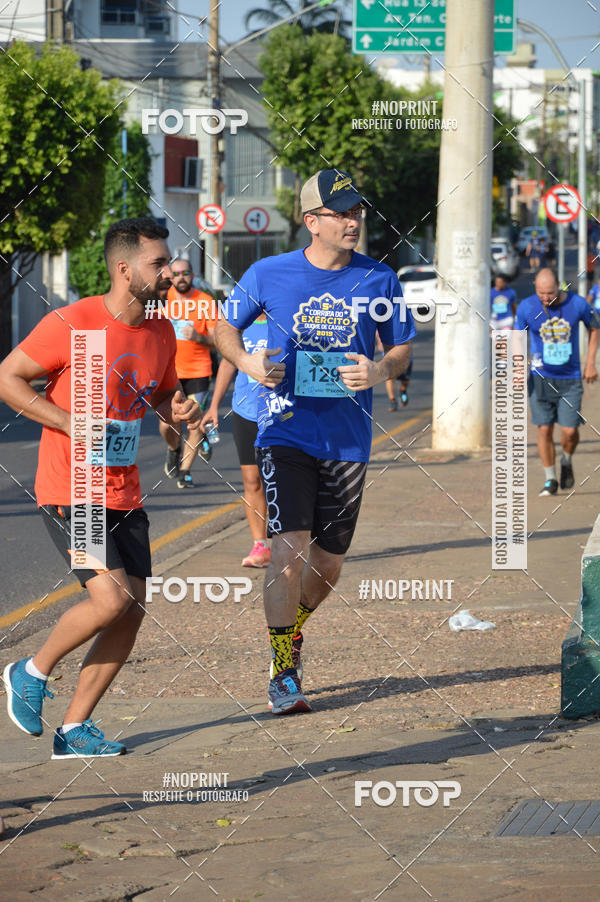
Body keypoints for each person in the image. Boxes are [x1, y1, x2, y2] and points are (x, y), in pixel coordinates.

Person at [215, 169, 416, 715]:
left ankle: (291, 633)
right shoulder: (267, 273)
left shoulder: (380, 279)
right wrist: (247, 361)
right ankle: (284, 673)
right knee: (287, 552)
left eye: (357, 212)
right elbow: (223, 328)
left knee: (326, 566)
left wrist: (379, 371)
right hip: (284, 431)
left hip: (347, 441)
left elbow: (401, 350)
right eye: (341, 212)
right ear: (312, 222)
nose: (353, 221)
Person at [0, 217, 201, 758]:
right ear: (123, 269)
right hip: (73, 485)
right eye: (157, 264)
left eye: (168, 262)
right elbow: (8, 377)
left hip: (124, 490)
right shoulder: (73, 321)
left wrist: (177, 410)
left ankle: (74, 729)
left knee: (132, 608)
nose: (169, 272)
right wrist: (68, 422)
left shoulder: (160, 330)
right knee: (109, 598)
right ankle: (31, 670)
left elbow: (160, 397)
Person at [516, 268, 599, 496]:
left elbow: (595, 327)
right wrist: (518, 367)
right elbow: (517, 338)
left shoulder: (577, 304)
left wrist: (590, 362)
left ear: (559, 287)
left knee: (570, 431)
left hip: (570, 379)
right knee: (544, 428)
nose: (545, 297)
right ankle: (550, 480)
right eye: (541, 293)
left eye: (550, 292)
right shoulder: (526, 307)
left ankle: (567, 459)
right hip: (540, 378)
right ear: (535, 288)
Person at [201, 314, 271, 568]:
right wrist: (214, 405)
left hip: (281, 412)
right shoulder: (239, 325)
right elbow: (228, 364)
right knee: (252, 480)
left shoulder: (286, 317)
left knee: (286, 478)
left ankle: (291, 541)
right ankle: (260, 545)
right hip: (246, 411)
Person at [159, 258, 216, 489]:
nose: (181, 277)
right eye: (177, 273)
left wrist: (198, 337)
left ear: (193, 275)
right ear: (170, 276)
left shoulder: (206, 302)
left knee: (194, 423)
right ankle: (174, 448)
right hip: (168, 372)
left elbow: (217, 342)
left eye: (186, 272)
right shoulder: (161, 300)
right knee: (167, 422)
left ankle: (184, 471)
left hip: (198, 372)